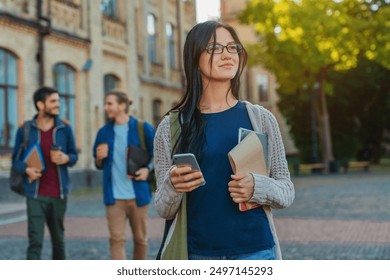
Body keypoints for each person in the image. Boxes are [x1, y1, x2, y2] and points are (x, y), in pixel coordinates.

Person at [153, 21, 295, 260]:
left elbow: (286, 191)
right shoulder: (171, 127)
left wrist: (257, 187)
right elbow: (163, 208)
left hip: (256, 253)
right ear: (194, 57)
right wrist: (173, 185)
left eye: (232, 48)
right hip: (198, 254)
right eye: (215, 48)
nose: (227, 55)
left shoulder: (260, 118)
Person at [11, 86, 78, 259]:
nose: (58, 105)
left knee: (58, 242)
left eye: (58, 101)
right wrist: (26, 169)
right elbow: (15, 161)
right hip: (35, 194)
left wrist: (66, 158)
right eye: (53, 101)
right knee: (35, 242)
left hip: (58, 194)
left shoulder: (65, 128)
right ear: (41, 105)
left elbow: (74, 155)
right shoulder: (25, 129)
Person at [93, 89, 155, 260]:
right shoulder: (103, 132)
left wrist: (147, 169)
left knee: (141, 240)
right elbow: (97, 164)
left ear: (121, 106)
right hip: (114, 198)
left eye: (109, 104)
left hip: (139, 195)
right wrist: (99, 158)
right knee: (116, 239)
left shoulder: (143, 128)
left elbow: (159, 154)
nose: (106, 107)